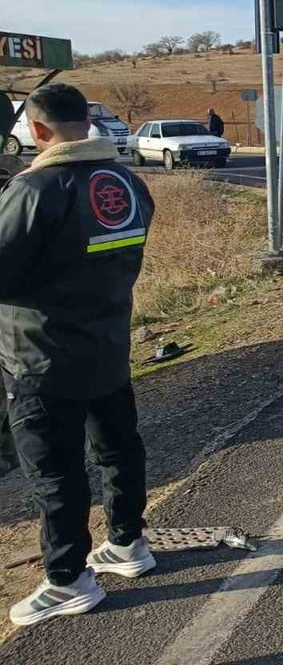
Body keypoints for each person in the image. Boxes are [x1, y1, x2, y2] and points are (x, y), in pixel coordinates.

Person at [0, 84, 156, 626]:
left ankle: (67, 579)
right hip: (109, 344)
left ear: (38, 131)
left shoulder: (35, 187)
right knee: (119, 449)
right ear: (86, 125)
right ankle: (127, 544)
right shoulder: (128, 183)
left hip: (41, 355)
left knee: (56, 471)